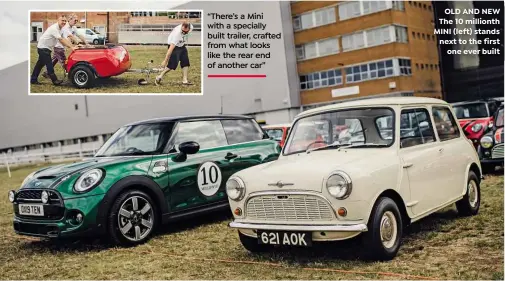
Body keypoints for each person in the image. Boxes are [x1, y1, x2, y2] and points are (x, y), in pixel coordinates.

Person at [30, 15, 78, 85]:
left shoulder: (61, 29)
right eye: (62, 20)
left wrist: (72, 46)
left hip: (46, 48)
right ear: (58, 21)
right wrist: (71, 47)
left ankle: (33, 80)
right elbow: (61, 40)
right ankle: (55, 81)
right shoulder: (54, 28)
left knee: (39, 65)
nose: (64, 22)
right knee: (49, 64)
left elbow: (64, 39)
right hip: (43, 48)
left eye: (65, 21)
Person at [42, 13, 89, 79]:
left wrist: (86, 43)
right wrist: (77, 43)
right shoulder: (65, 27)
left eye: (77, 20)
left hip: (62, 46)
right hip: (59, 47)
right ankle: (71, 75)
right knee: (65, 62)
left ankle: (46, 72)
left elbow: (79, 35)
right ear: (70, 19)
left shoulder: (74, 27)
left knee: (54, 60)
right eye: (75, 20)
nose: (76, 22)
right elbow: (71, 36)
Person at [155, 21, 194, 86]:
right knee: (172, 65)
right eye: (182, 31)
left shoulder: (191, 27)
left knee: (185, 61)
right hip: (174, 46)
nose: (183, 33)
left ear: (189, 29)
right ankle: (159, 77)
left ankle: (185, 80)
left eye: (185, 32)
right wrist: (165, 61)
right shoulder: (177, 34)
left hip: (182, 45)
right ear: (181, 27)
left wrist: (183, 41)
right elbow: (170, 50)